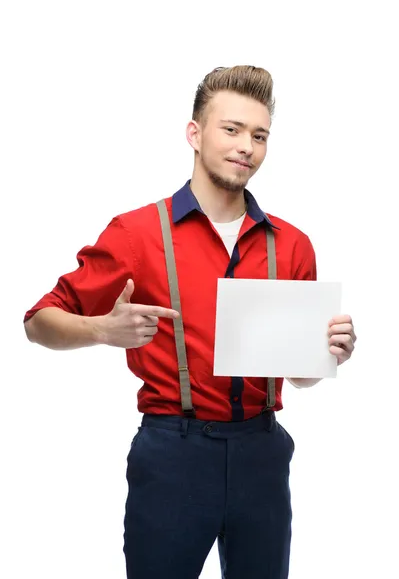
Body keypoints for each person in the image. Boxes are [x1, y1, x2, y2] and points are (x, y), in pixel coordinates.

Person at [23, 65, 357, 579]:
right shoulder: (136, 233)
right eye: (231, 129)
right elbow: (38, 321)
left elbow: (301, 376)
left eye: (260, 135)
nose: (247, 146)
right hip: (172, 454)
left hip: (262, 454)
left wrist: (327, 352)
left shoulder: (291, 245)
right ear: (194, 134)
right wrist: (101, 331)